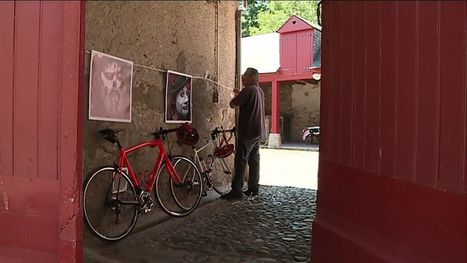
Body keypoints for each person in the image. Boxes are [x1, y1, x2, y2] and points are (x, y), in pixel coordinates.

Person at [221, 67, 265, 200]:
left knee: (241, 159)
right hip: (258, 131)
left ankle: (236, 191)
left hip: (248, 131)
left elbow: (233, 104)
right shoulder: (259, 91)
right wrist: (240, 93)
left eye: (244, 75)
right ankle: (253, 188)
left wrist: (236, 97)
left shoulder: (249, 89)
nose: (242, 78)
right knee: (254, 160)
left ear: (252, 77)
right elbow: (249, 101)